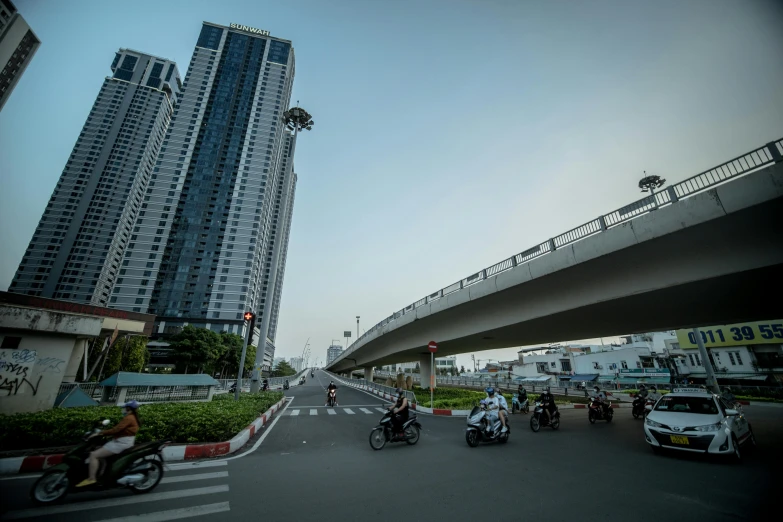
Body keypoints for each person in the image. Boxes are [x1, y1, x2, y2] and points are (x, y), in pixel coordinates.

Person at [77, 401, 140, 487]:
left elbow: (116, 430)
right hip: (121, 441)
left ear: (128, 408)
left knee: (93, 455)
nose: (123, 410)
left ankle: (92, 479)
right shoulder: (132, 417)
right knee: (98, 449)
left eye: (124, 408)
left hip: (121, 443)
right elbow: (118, 429)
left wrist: (100, 433)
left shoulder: (129, 418)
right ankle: (102, 473)